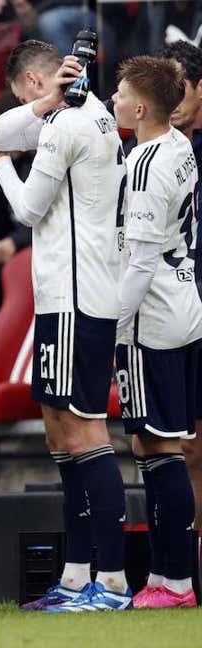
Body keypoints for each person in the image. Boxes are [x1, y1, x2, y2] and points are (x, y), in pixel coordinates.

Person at [0, 40, 129, 612]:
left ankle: (112, 580)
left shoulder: (69, 126)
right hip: (69, 297)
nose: (24, 108)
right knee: (59, 433)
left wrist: (0, 169)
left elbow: (25, 207)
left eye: (25, 94)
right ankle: (75, 576)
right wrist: (42, 106)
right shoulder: (88, 116)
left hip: (74, 298)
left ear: (35, 81)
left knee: (84, 432)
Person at [110, 56, 200, 609]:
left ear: (141, 108)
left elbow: (140, 263)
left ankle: (174, 581)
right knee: (159, 444)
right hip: (184, 302)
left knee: (157, 447)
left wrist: (108, 332)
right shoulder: (180, 145)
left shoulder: (145, 165)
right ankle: (170, 579)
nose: (112, 100)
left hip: (152, 318)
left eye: (119, 93)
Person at [159, 39, 202, 543]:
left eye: (179, 87)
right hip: (175, 310)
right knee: (183, 446)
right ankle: (181, 572)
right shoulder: (148, 153)